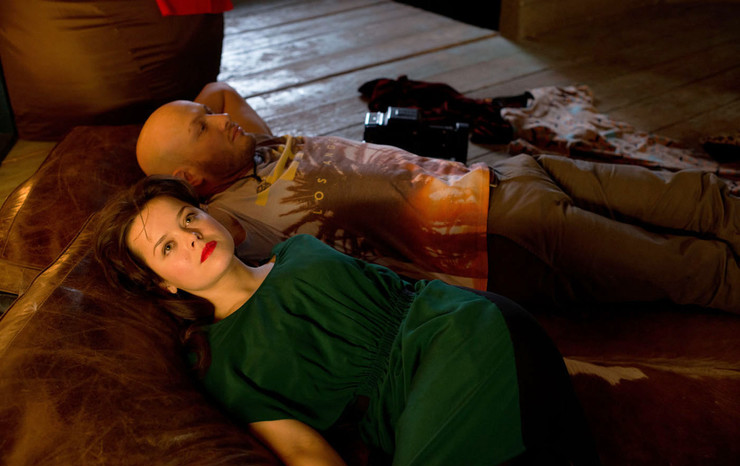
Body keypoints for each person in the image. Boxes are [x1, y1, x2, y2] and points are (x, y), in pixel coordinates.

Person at [94, 175, 606, 466]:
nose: (191, 236)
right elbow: (299, 448)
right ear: (162, 283)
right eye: (167, 247)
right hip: (411, 412)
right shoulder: (221, 363)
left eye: (190, 217)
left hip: (460, 330)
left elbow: (401, 291)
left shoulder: (298, 251)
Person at [135, 82, 740, 314]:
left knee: (702, 195)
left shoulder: (255, 146)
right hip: (501, 237)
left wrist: (194, 127)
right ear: (191, 183)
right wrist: (168, 190)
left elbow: (220, 89)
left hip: (507, 175)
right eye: (202, 127)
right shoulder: (229, 219)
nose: (220, 120)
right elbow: (187, 256)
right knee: (694, 270)